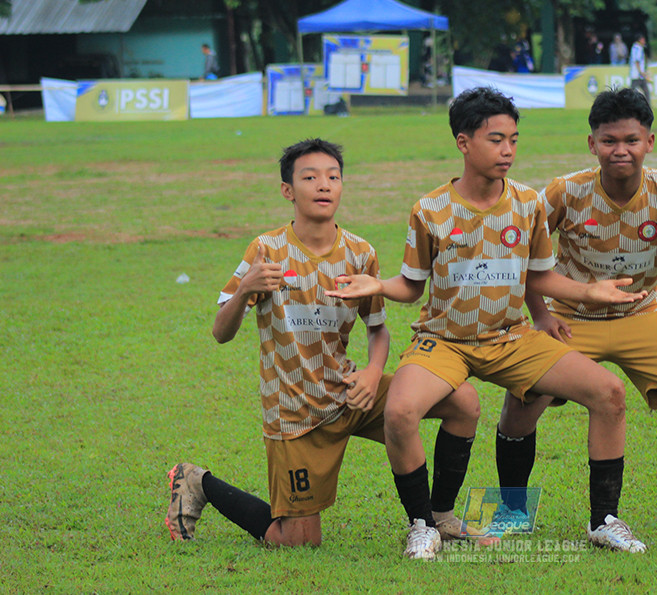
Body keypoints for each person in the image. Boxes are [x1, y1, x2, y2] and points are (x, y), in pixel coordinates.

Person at [327, 87, 650, 559]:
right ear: (463, 142)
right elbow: (411, 286)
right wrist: (376, 285)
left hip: (511, 337)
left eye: (514, 140)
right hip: (445, 340)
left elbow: (540, 277)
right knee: (399, 412)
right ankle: (426, 524)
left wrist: (588, 291)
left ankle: (604, 521)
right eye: (496, 139)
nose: (507, 151)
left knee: (609, 393)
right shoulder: (430, 209)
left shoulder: (527, 204)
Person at [164, 138, 481, 548]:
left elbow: (377, 327)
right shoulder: (266, 250)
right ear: (288, 190)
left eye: (333, 176)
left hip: (350, 393)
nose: (323, 185)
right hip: (296, 413)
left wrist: (371, 373)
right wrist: (244, 290)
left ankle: (435, 520)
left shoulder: (359, 252)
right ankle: (198, 483)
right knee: (296, 541)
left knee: (463, 402)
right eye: (310, 177)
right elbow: (220, 333)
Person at [495, 87, 657, 533]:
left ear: (649, 142)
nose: (620, 150)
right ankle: (512, 510)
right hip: (570, 319)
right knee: (521, 400)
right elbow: (522, 259)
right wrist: (542, 317)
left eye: (631, 139)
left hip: (642, 315)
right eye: (609, 141)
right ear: (592, 144)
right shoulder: (564, 192)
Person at [629, 35, 650, 101]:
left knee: (646, 91)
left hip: (637, 74)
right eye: (643, 40)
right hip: (637, 74)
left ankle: (648, 105)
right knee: (634, 91)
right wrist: (641, 72)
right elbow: (637, 62)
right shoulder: (638, 48)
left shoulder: (635, 47)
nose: (644, 41)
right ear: (640, 40)